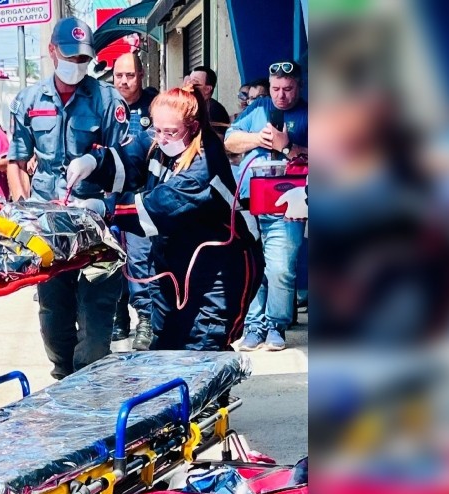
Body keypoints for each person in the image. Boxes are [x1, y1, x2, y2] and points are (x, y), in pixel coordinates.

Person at [65, 85, 263, 349]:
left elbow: (157, 208)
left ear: (192, 128)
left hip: (216, 272)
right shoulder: (160, 138)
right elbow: (129, 157)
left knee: (203, 350)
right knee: (164, 347)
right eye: (157, 130)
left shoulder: (205, 164)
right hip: (171, 268)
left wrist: (105, 209)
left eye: (170, 132)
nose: (162, 138)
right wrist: (92, 162)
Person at [7, 18, 129, 380]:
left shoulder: (107, 100)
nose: (77, 64)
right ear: (52, 51)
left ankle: (91, 387)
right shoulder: (27, 100)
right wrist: (22, 213)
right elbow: (16, 161)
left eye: (84, 58)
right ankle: (64, 380)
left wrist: (108, 206)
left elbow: (124, 162)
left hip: (94, 225)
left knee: (95, 326)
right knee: (54, 319)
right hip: (46, 228)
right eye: (70, 55)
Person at [226, 60, 309, 351]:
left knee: (280, 268)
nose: (281, 95)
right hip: (248, 202)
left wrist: (288, 147)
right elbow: (228, 142)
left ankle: (276, 325)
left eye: (288, 89)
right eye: (275, 89)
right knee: (251, 266)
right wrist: (254, 138)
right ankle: (253, 325)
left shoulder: (310, 114)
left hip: (287, 204)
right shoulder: (257, 109)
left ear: (299, 86)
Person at [110, 51, 158, 348]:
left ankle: (145, 319)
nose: (124, 81)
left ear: (141, 76)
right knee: (109, 260)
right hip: (107, 198)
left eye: (130, 75)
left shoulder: (155, 106)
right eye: (119, 75)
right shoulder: (104, 105)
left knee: (140, 261)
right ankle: (117, 317)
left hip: (140, 198)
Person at [186, 66, 232, 137]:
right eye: (189, 81)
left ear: (207, 89)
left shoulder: (214, 109)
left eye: (194, 82)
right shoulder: (191, 106)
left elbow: (218, 141)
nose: (189, 85)